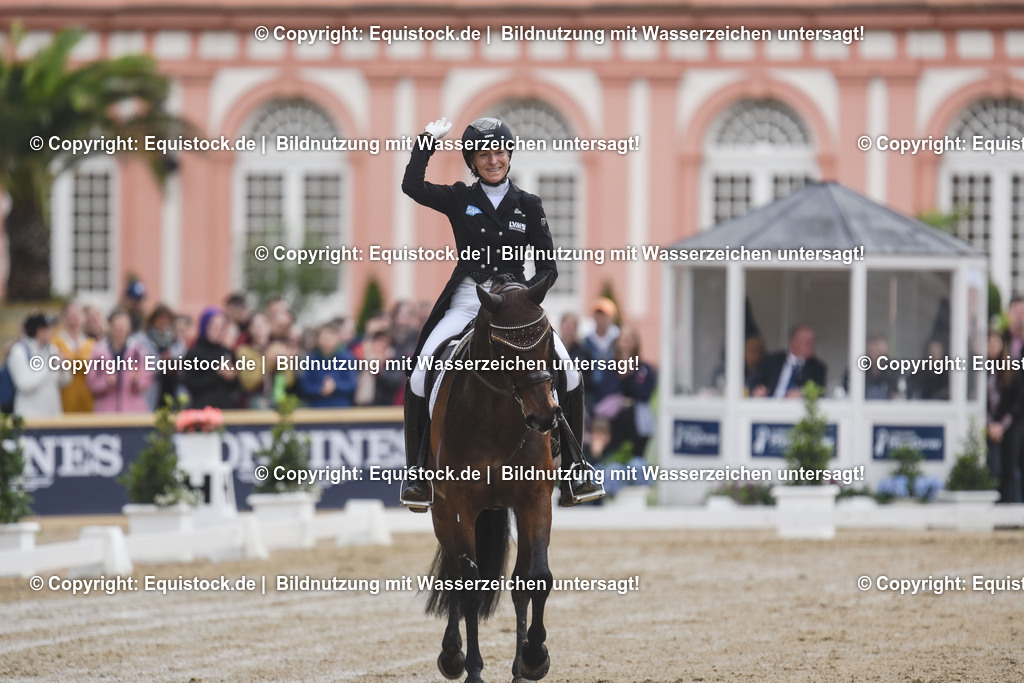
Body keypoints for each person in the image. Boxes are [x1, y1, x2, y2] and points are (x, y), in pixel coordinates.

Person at [399, 115, 602, 510]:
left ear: (509, 155)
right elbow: (412, 186)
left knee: (570, 371)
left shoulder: (529, 204)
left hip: (515, 301)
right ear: (472, 161)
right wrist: (426, 141)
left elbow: (548, 266)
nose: (493, 159)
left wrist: (525, 297)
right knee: (423, 372)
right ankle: (418, 473)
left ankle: (576, 468)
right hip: (468, 299)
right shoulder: (460, 198)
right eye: (483, 154)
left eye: (499, 152)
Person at [87, 309, 153, 413]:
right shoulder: (99, 351)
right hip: (106, 411)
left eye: (124, 325)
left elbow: (147, 380)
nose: (120, 329)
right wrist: (106, 382)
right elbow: (91, 383)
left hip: (133, 411)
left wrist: (137, 380)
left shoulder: (138, 351)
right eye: (117, 326)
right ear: (110, 327)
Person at [8, 313, 69, 418]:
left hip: (53, 417)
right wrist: (49, 366)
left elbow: (64, 382)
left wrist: (64, 368)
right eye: (49, 328)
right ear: (39, 331)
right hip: (29, 418)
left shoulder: (52, 349)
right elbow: (24, 384)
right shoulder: (19, 351)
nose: (52, 331)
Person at [182, 307, 240, 409]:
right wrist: (217, 373)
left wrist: (232, 377)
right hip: (201, 410)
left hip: (225, 408)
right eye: (214, 327)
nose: (218, 331)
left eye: (222, 327)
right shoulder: (194, 353)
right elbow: (190, 384)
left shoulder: (227, 352)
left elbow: (235, 387)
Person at [749, 324, 827, 398]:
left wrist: (802, 394)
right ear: (794, 342)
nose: (812, 346)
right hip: (770, 407)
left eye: (813, 342)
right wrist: (757, 390)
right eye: (807, 342)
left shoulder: (817, 368)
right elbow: (753, 383)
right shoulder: (772, 361)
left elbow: (818, 393)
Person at [298, 321, 358, 408]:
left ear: (337, 337)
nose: (326, 339)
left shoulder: (347, 357)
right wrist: (321, 388)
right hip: (316, 409)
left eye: (330, 336)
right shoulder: (311, 359)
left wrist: (335, 386)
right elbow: (305, 386)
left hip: (341, 409)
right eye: (323, 336)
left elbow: (352, 384)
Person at [52, 301, 95, 413]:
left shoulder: (91, 343)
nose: (74, 319)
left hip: (87, 402)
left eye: (77, 315)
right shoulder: (54, 342)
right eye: (70, 315)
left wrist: (70, 361)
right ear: (63, 318)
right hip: (63, 401)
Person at [143, 304, 186, 409]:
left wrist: (173, 363)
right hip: (151, 393)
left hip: (172, 391)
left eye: (167, 321)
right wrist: (159, 362)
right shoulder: (143, 341)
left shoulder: (177, 343)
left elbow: (184, 368)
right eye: (160, 320)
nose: (163, 325)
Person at [583, 297, 620, 407]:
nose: (601, 318)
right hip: (591, 391)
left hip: (612, 390)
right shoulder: (587, 340)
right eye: (598, 314)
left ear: (612, 317)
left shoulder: (618, 340)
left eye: (604, 315)